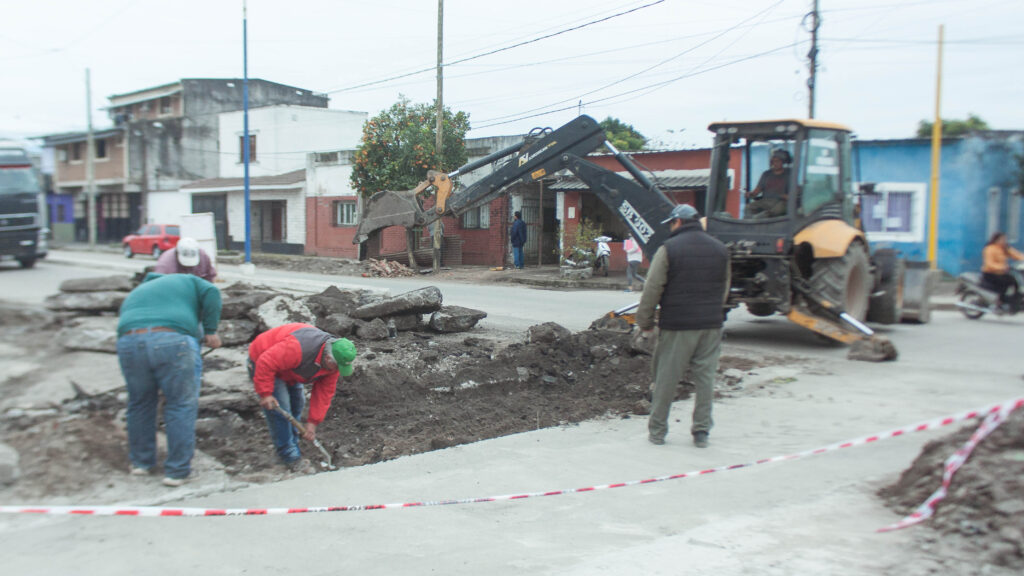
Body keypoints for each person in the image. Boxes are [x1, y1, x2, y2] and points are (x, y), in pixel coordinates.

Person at [635, 203, 729, 448]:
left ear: (678, 222)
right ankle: (701, 432)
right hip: (711, 325)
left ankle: (657, 432)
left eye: (671, 224)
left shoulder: (669, 250)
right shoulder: (720, 250)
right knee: (706, 379)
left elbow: (652, 289)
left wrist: (645, 323)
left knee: (666, 378)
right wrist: (712, 312)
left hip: (678, 326)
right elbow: (724, 289)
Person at [116, 272, 222, 487]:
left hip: (129, 343)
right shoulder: (188, 280)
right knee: (180, 404)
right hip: (171, 340)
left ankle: (141, 464)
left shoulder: (139, 292)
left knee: (140, 402)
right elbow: (212, 291)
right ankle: (177, 471)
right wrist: (211, 331)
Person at [248, 323, 356, 469]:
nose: (337, 371)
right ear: (328, 358)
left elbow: (324, 393)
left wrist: (313, 422)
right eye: (337, 366)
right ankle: (289, 456)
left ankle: (292, 442)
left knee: (297, 403)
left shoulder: (334, 362)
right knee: (281, 409)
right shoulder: (298, 348)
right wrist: (265, 393)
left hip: (290, 369)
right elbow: (266, 361)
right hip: (263, 358)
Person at [981, 231, 1024, 311]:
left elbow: (1016, 255)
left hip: (1001, 273)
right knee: (1009, 281)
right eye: (1002, 239)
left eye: (1005, 239)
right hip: (990, 274)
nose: (1004, 241)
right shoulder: (990, 249)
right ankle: (1001, 300)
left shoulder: (1004, 248)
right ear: (996, 240)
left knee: (1014, 282)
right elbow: (989, 264)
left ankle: (1011, 302)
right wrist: (1002, 267)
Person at [746, 149, 791, 218]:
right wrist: (751, 194)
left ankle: (762, 218)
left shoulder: (789, 175)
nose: (775, 163)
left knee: (774, 211)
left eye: (777, 161)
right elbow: (757, 190)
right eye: (773, 161)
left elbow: (794, 192)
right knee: (748, 207)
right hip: (766, 201)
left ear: (783, 162)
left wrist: (786, 196)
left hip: (781, 202)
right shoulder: (766, 174)